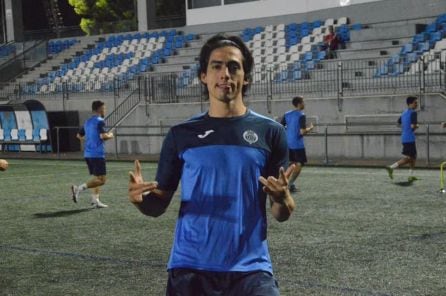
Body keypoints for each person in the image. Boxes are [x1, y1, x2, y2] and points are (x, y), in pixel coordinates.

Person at [128, 34, 296, 296]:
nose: (224, 74)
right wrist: (141, 200)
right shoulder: (181, 135)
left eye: (233, 66)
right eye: (216, 66)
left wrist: (283, 198)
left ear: (246, 77)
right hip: (190, 268)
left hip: (250, 268)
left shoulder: (270, 133)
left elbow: (280, 213)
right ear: (203, 76)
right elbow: (158, 205)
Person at [71, 100, 114, 208]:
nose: (105, 110)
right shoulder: (100, 121)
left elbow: (78, 136)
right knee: (102, 180)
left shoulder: (88, 122)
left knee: (96, 178)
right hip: (97, 154)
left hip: (88, 154)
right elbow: (103, 136)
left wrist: (90, 139)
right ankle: (79, 188)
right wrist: (111, 135)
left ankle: (95, 200)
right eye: (104, 108)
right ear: (99, 109)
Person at [281, 96, 314, 192]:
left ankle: (287, 184)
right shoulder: (301, 115)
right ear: (299, 104)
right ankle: (289, 185)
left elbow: (281, 127)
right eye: (303, 102)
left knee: (291, 163)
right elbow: (302, 132)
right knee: (299, 164)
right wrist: (310, 128)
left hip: (287, 143)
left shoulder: (287, 114)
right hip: (297, 145)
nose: (304, 103)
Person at [385, 96, 419, 182]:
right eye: (415, 102)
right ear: (410, 103)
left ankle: (410, 176)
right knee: (410, 158)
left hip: (404, 137)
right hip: (410, 138)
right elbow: (413, 126)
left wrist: (405, 128)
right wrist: (416, 127)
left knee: (413, 157)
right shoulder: (413, 113)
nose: (417, 104)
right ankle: (391, 167)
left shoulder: (404, 113)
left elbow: (397, 124)